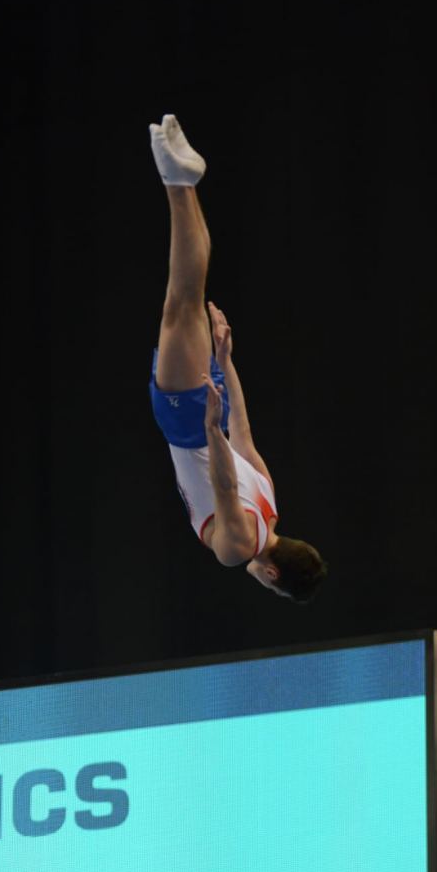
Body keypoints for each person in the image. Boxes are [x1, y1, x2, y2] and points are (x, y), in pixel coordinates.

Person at [148, 114, 328, 602]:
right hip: (191, 425)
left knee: (185, 299)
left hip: (212, 408)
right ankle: (177, 181)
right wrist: (209, 427)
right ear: (272, 575)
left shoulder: (271, 505)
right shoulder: (239, 549)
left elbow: (243, 434)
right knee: (181, 300)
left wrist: (226, 364)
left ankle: (181, 181)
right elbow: (225, 488)